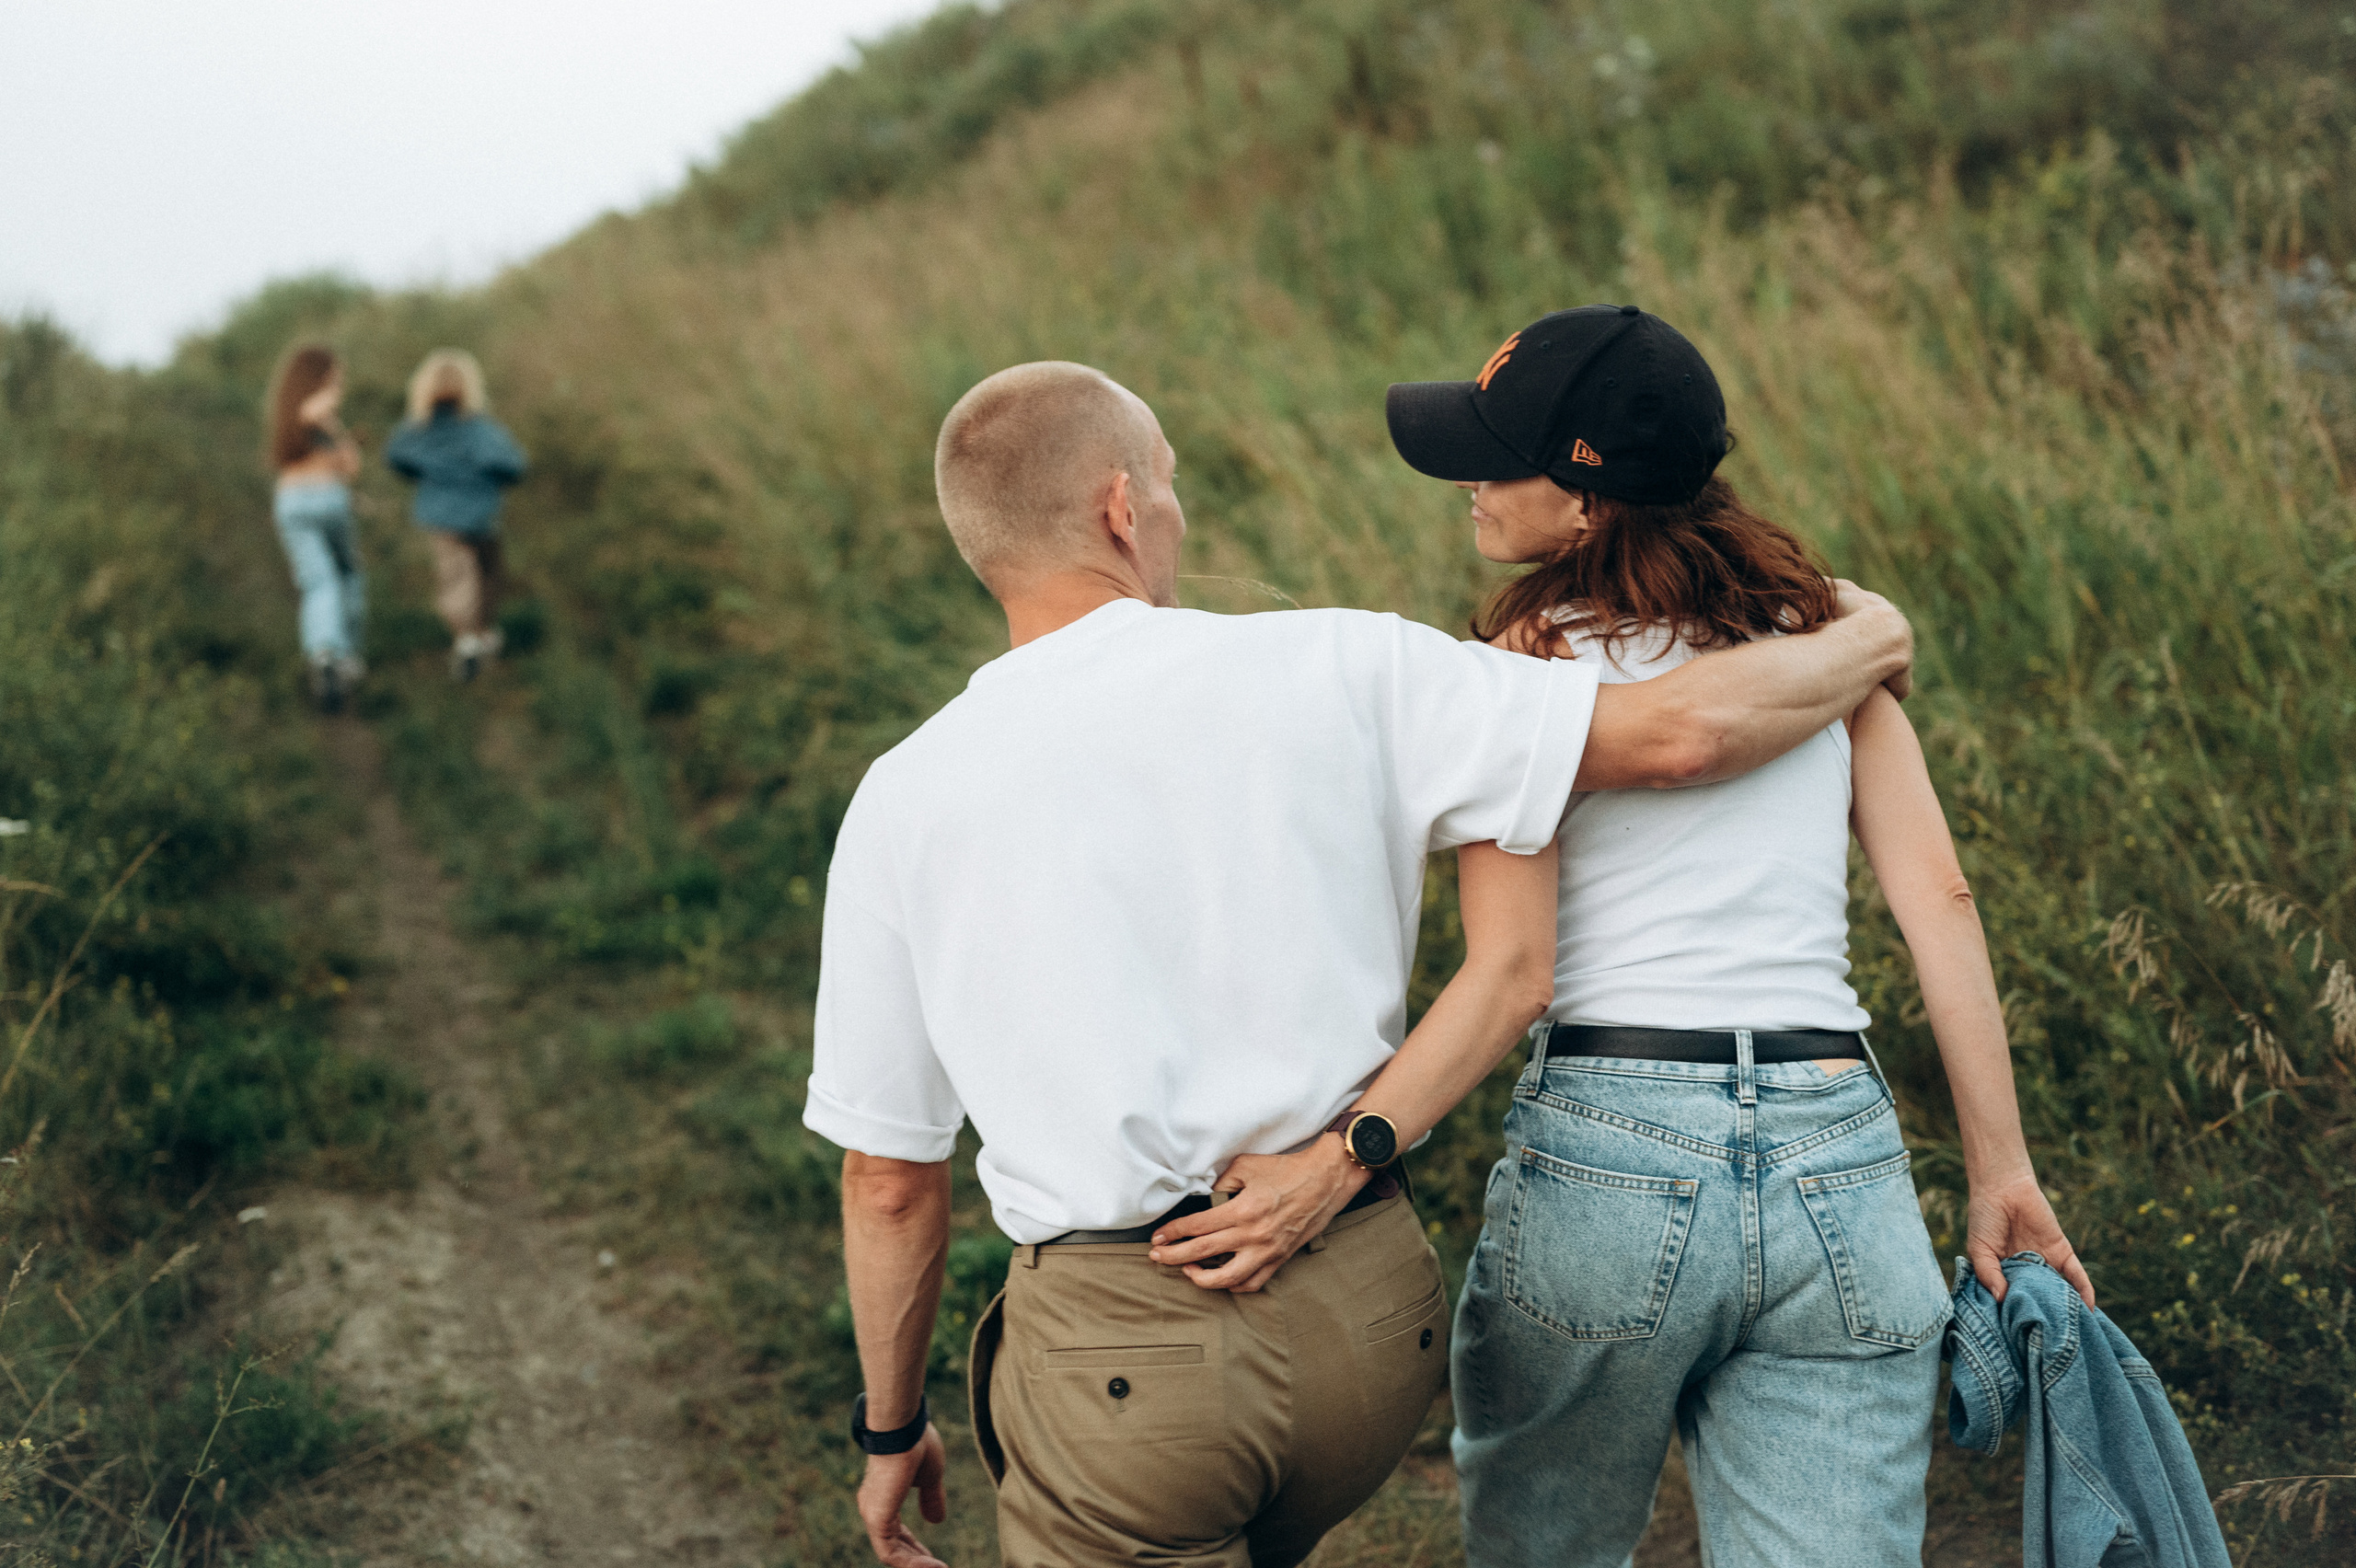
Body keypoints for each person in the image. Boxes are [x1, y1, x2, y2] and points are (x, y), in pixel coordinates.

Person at [805, 361, 1914, 1568]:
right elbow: (1683, 729)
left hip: (1127, 1365)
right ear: (1122, 507)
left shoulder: (901, 797)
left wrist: (891, 1424)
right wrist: (1867, 633)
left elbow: (890, 1181)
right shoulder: (1343, 666)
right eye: (1169, 487)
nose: (1176, 516)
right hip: (1367, 1332)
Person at [1380, 304, 2095, 1568]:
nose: (1472, 485)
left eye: (1501, 459)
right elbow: (1943, 905)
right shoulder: (1825, 657)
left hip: (1612, 1140)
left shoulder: (1521, 664)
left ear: (1590, 500)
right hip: (1841, 1153)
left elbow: (1514, 964)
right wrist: (2002, 1171)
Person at [386, 349, 526, 681]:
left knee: (456, 577)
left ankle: (467, 640)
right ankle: (480, 634)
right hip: (481, 515)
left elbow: (396, 456)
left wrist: (425, 474)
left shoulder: (416, 430)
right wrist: (489, 479)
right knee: (488, 574)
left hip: (441, 516)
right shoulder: (479, 429)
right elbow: (513, 464)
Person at [264, 343, 365, 713]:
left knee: (316, 581)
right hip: (327, 499)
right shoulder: (321, 413)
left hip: (290, 501)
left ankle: (323, 653)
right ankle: (347, 657)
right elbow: (350, 466)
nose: (340, 388)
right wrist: (339, 434)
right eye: (336, 379)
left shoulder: (284, 417)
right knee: (347, 576)